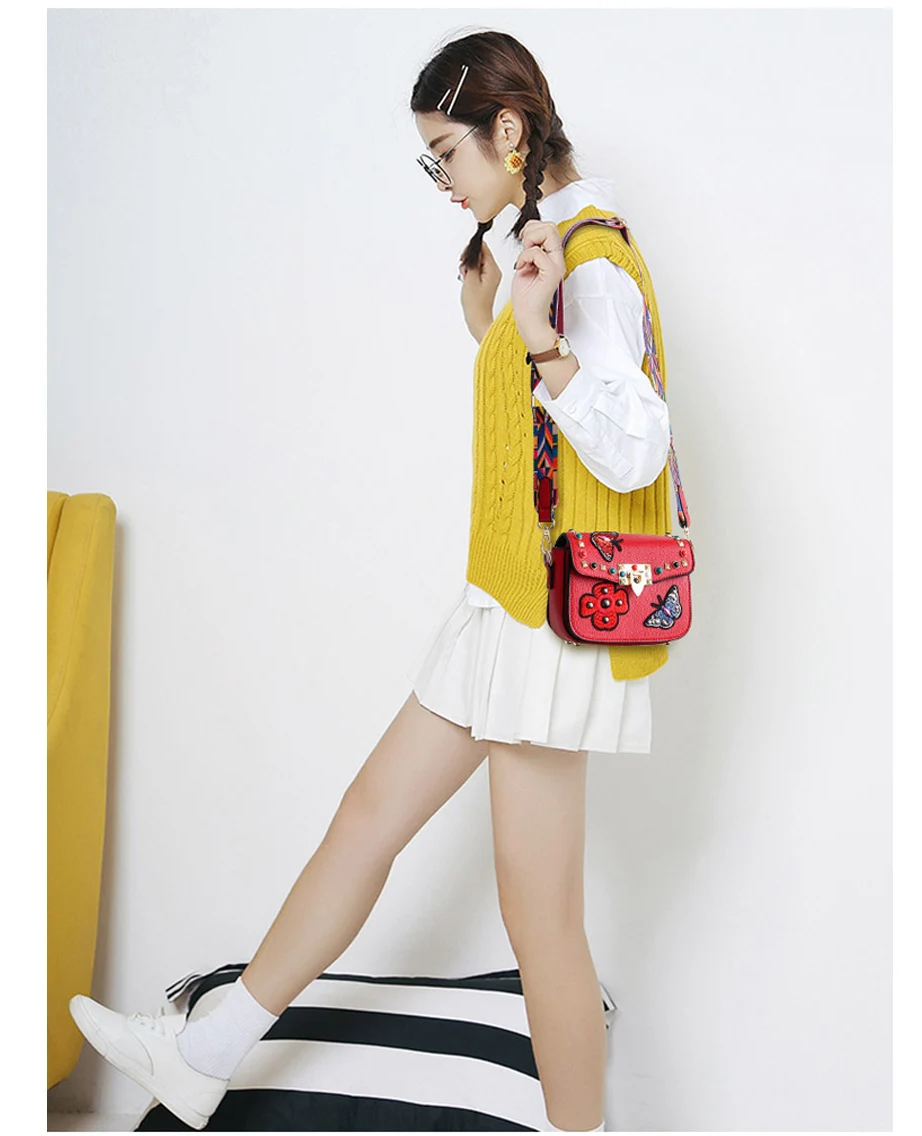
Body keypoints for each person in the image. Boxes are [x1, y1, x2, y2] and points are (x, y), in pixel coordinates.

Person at [69, 28, 677, 1134]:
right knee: (367, 818)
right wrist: (495, 319)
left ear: (507, 129)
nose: (442, 182)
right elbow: (535, 433)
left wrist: (539, 339)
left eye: (446, 154)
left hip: (549, 631)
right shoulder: (534, 248)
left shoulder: (592, 259)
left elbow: (634, 452)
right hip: (499, 604)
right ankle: (203, 1053)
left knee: (539, 921)